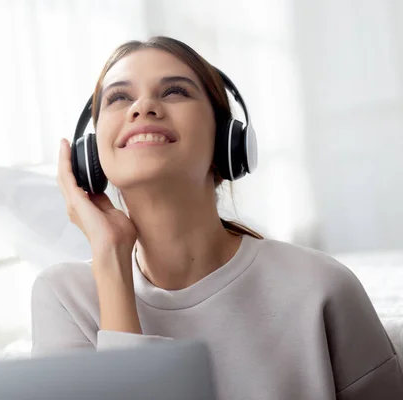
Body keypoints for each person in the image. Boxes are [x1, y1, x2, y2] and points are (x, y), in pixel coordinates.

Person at [30, 36, 403, 399]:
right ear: (89, 156)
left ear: (227, 141)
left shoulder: (322, 286)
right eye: (119, 97)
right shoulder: (64, 298)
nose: (142, 107)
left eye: (175, 91)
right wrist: (111, 258)